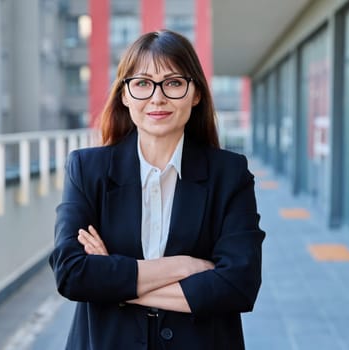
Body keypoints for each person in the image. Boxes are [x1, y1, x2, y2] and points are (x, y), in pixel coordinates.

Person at [49, 29, 265, 350]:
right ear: (124, 95)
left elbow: (238, 285)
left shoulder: (229, 174)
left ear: (196, 94)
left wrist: (113, 281)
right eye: (142, 83)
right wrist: (183, 267)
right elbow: (71, 273)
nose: (157, 97)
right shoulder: (87, 169)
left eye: (174, 83)